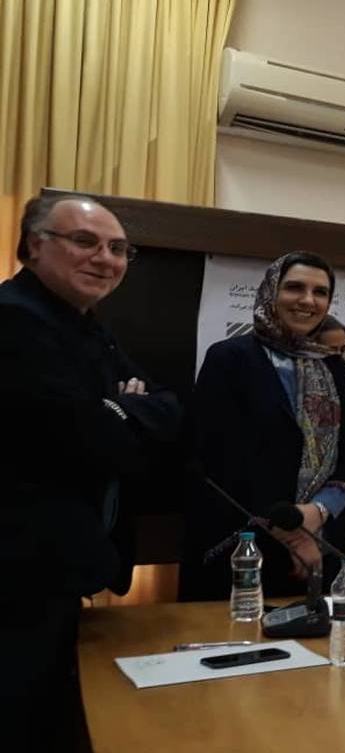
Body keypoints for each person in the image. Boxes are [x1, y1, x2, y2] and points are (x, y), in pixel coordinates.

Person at [0, 194, 182, 752]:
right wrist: (123, 412)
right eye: (85, 242)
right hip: (17, 574)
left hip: (59, 571)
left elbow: (169, 410)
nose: (105, 259)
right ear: (35, 246)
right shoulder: (14, 320)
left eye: (118, 248)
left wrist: (122, 409)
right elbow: (91, 439)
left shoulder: (87, 325)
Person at [181, 252, 345, 601]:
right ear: (270, 292)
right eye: (294, 287)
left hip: (320, 540)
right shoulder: (230, 358)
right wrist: (290, 531)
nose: (308, 300)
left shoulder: (334, 367)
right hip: (242, 543)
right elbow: (213, 458)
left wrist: (317, 513)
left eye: (320, 292)